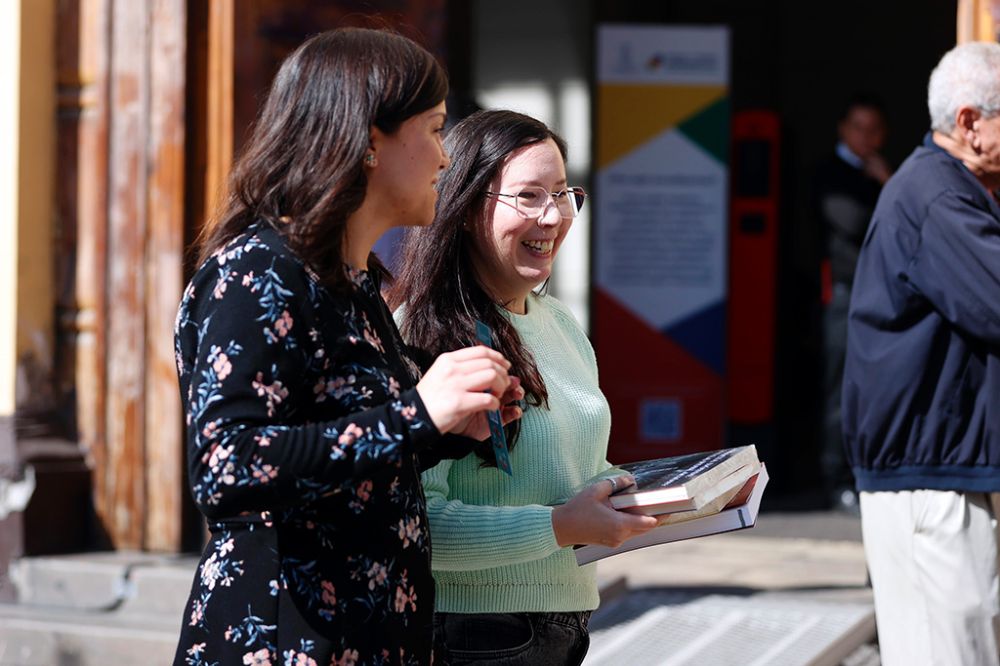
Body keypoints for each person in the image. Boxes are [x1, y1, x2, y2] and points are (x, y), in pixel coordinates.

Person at [172, 29, 520, 666]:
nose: (446, 158)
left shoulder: (351, 283)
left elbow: (347, 440)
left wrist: (450, 424)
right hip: (284, 644)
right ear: (366, 141)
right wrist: (416, 415)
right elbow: (227, 466)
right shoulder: (257, 274)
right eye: (436, 128)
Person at [387, 110, 657, 665]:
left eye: (561, 193)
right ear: (463, 209)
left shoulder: (558, 323)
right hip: (473, 632)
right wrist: (561, 526)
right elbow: (415, 521)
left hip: (565, 620)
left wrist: (660, 496)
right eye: (528, 196)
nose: (552, 216)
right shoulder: (422, 332)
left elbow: (574, 475)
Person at [842, 41, 1000, 666]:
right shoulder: (937, 195)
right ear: (969, 122)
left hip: (942, 469)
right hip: (930, 478)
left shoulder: (949, 188)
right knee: (949, 652)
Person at [812, 92, 892, 511]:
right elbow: (853, 221)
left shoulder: (881, 172)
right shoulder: (831, 173)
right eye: (859, 128)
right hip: (843, 295)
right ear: (844, 129)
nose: (867, 137)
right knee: (840, 389)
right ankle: (836, 479)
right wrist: (884, 183)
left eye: (874, 129)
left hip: (881, 294)